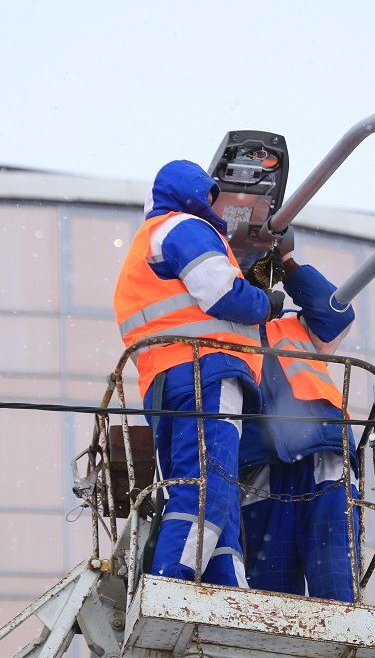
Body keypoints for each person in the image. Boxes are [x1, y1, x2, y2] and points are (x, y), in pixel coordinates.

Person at [113, 159, 281, 587]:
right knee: (210, 489)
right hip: (207, 368)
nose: (214, 203)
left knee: (204, 490)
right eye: (209, 193)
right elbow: (223, 292)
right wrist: (268, 303)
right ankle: (173, 586)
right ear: (190, 192)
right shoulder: (183, 227)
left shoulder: (148, 241)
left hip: (169, 380)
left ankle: (230, 590)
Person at [240, 253, 362, 601]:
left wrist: (290, 266)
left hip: (321, 455)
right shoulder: (218, 330)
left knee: (336, 583)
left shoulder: (294, 325)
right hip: (258, 468)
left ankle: (343, 643)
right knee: (269, 602)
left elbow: (336, 314)